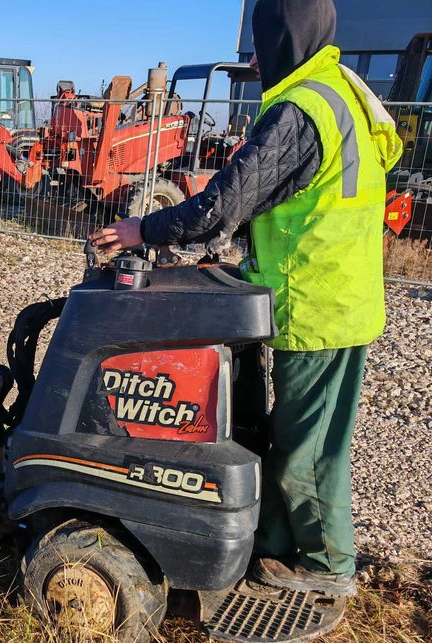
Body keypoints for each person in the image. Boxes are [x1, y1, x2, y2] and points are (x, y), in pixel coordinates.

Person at [90, 0, 402, 596]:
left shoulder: (300, 109)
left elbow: (225, 202)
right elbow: (289, 201)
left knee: (305, 449)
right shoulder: (344, 93)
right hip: (342, 296)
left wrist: (142, 230)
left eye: (262, 44)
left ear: (287, 38)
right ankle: (277, 548)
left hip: (316, 304)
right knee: (299, 436)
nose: (256, 60)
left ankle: (324, 569)